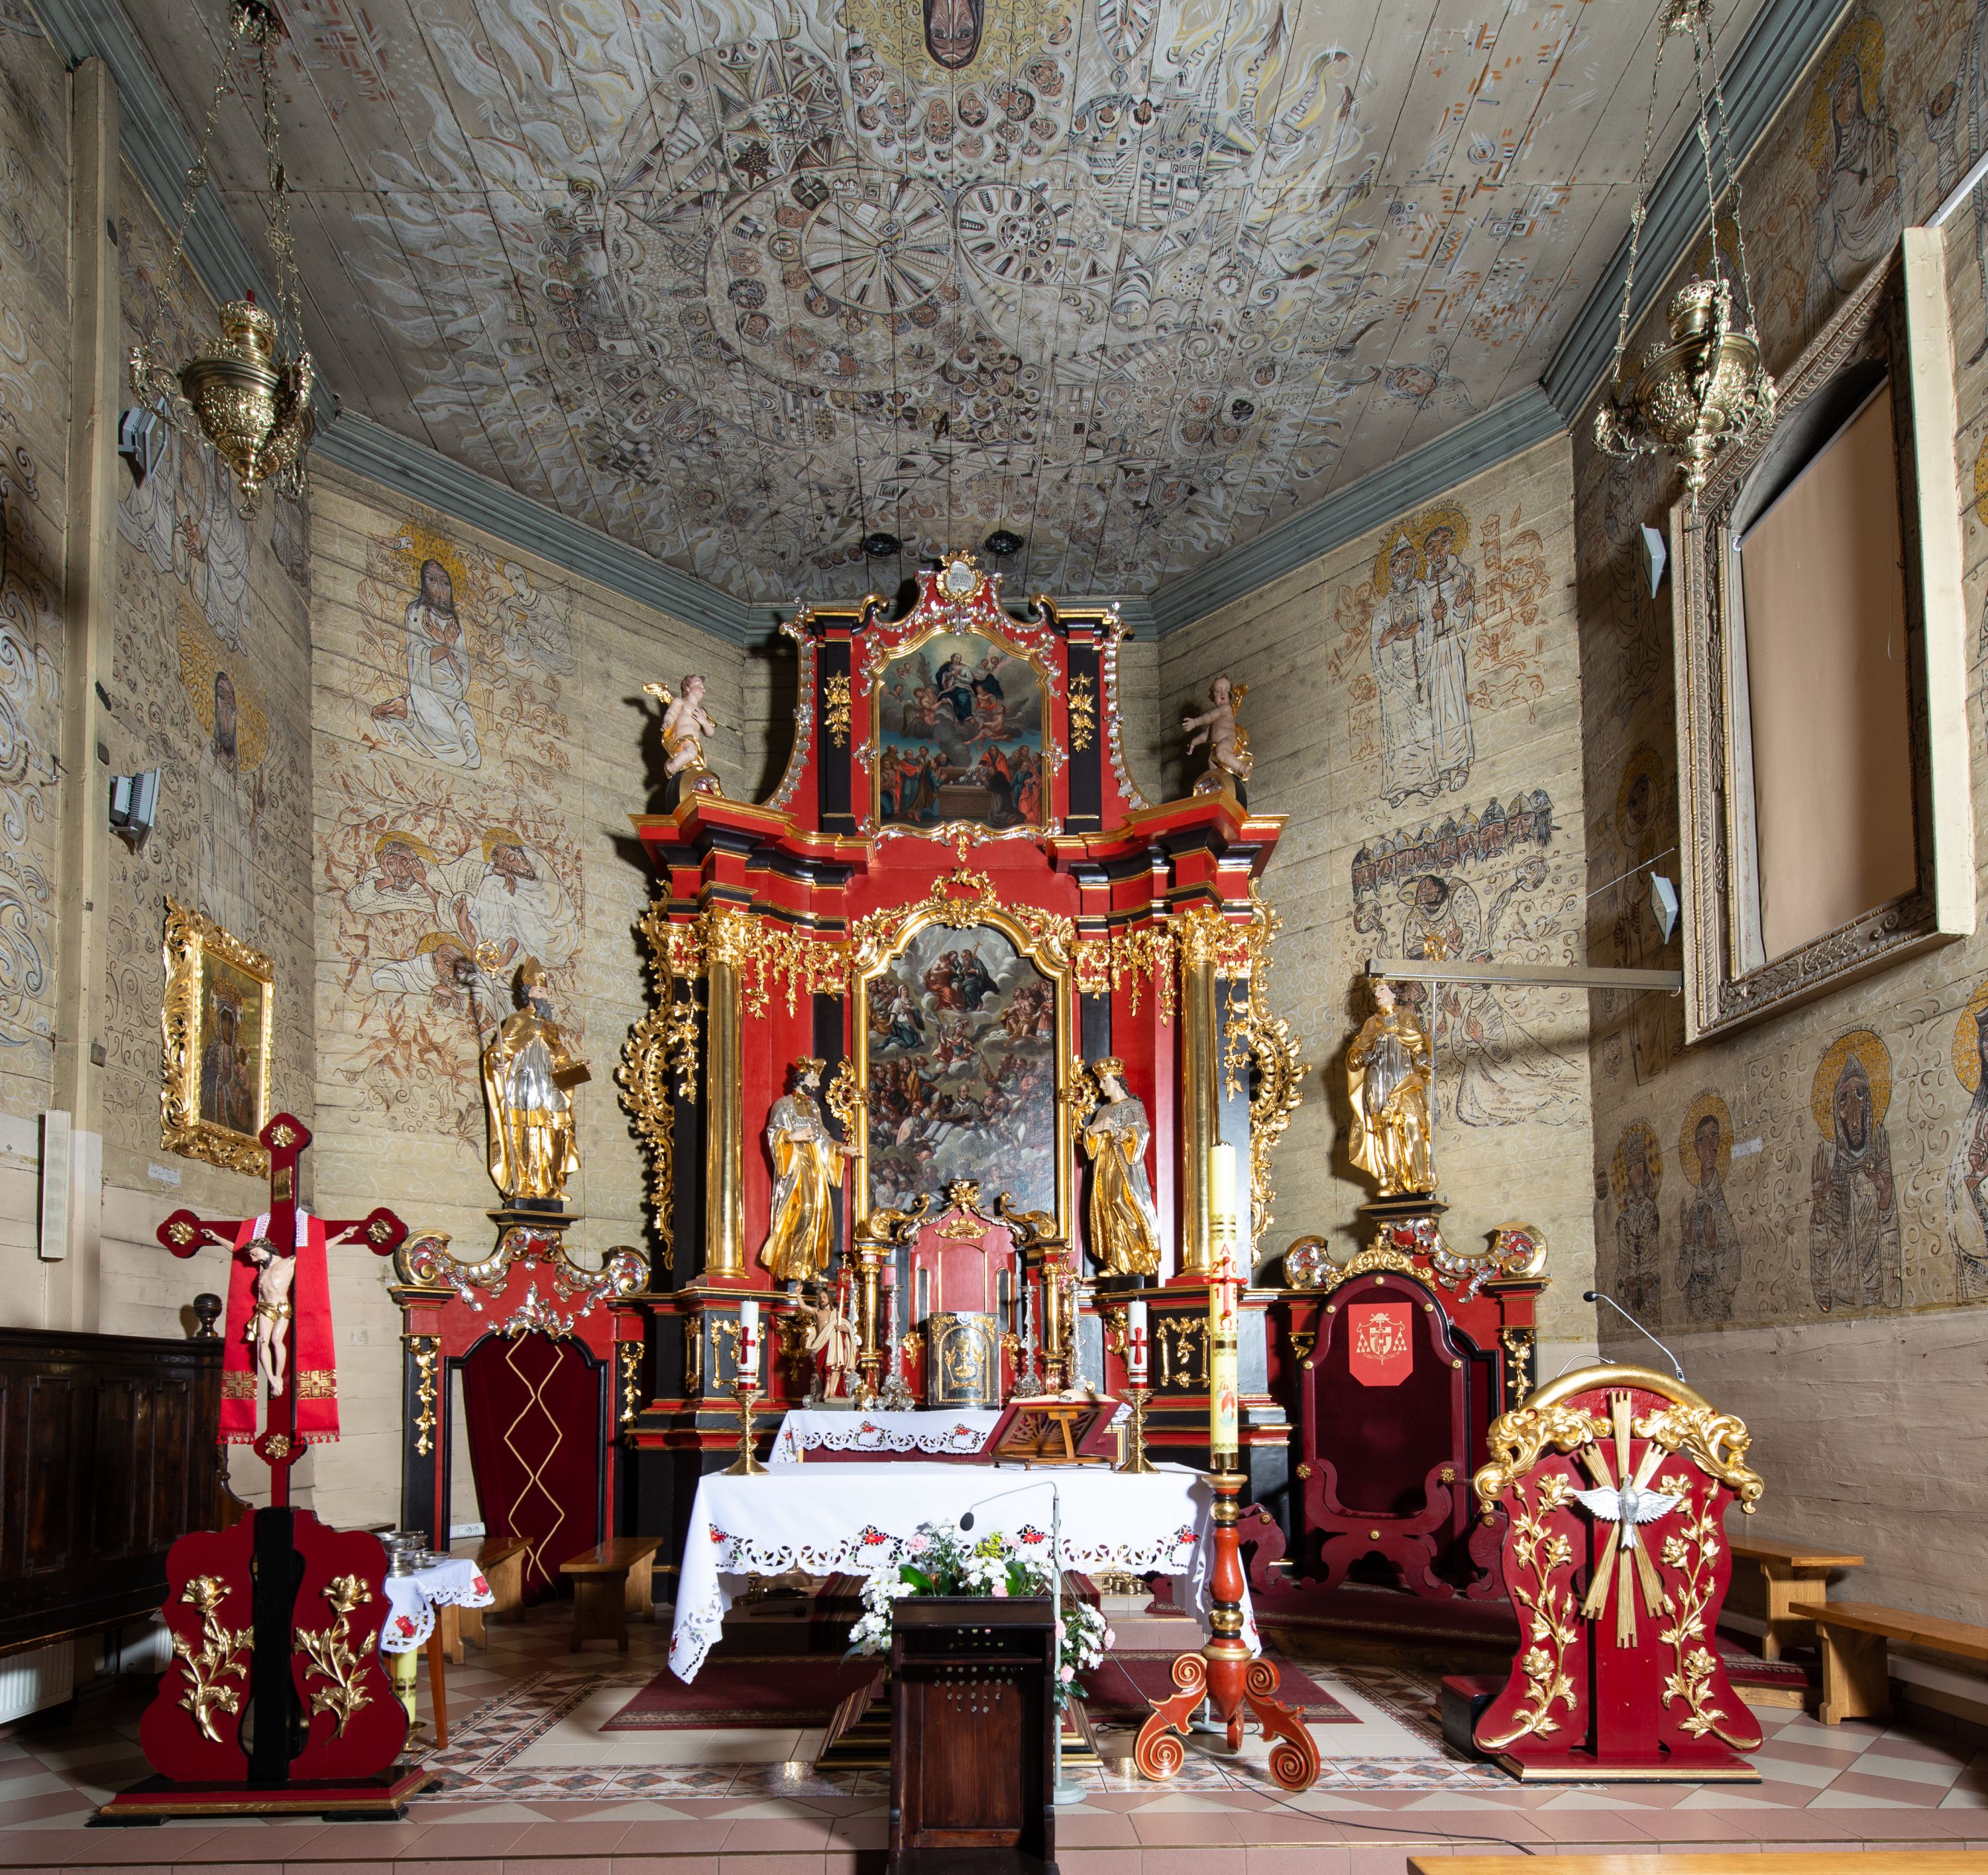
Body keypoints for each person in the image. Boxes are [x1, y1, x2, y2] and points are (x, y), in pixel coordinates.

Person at [480, 958, 590, 1204]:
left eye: (546, 992)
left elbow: (561, 1059)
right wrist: (497, 1063)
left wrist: (579, 1068)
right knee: (525, 1134)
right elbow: (499, 1051)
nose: (545, 996)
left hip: (549, 1089)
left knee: (553, 1134)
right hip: (525, 1088)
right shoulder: (517, 1021)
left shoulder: (552, 1028)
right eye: (540, 991)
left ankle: (550, 1187)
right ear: (528, 993)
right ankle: (523, 1186)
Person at [1810, 1051, 1903, 1312]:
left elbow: (1891, 1247)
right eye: (1843, 1099)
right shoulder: (1831, 1180)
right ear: (1835, 1113)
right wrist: (1819, 1212)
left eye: (1860, 1095)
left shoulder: (1878, 1171)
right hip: (1841, 1304)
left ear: (1869, 1104)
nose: (1853, 1113)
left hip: (1876, 1302)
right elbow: (1820, 1264)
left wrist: (1885, 1197)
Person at [372, 557, 482, 769]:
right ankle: (410, 706)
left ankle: (407, 707)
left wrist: (446, 647)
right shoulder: (417, 612)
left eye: (445, 582)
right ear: (424, 584)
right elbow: (419, 656)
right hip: (428, 692)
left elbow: (463, 676)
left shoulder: (455, 623)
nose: (440, 588)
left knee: (474, 759)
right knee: (457, 755)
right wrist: (446, 645)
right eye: (432, 580)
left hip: (453, 697)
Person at [761, 1058, 856, 1282]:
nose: (817, 1084)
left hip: (815, 1165)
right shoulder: (783, 1105)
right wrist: (794, 1136)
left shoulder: (814, 1108)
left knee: (818, 1211)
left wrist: (842, 1148)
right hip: (796, 1165)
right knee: (803, 1208)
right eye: (813, 1079)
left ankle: (809, 1268)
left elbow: (823, 1137)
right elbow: (774, 1133)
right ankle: (792, 1266)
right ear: (801, 1079)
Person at [1345, 979, 1434, 1196]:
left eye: (1382, 989)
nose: (1377, 993)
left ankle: (1421, 1178)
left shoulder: (1407, 1017)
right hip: (1379, 1083)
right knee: (1385, 1133)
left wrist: (1424, 1059)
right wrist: (1361, 1057)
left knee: (1412, 1124)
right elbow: (1355, 1055)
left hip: (1404, 1083)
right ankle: (1392, 1181)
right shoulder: (1371, 1024)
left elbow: (1419, 1048)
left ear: (1394, 992)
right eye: (1375, 990)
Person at [1081, 1059, 1162, 1277]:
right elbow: (1091, 1144)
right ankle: (1116, 1263)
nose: (1101, 1086)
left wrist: (1128, 1134)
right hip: (1105, 1166)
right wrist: (1095, 1129)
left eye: (1104, 1081)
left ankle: (1139, 1257)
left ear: (1117, 1081)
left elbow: (1143, 1129)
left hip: (1126, 1167)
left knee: (1123, 1202)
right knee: (1108, 1207)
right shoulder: (1103, 1111)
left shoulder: (1134, 1106)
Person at [1372, 537, 1435, 804]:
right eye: (1395, 563)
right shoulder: (1383, 607)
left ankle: (1427, 780)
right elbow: (1376, 645)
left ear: (1414, 562)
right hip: (1395, 676)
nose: (1401, 568)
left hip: (1418, 670)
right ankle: (1398, 787)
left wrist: (1419, 627)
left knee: (1422, 725)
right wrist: (1387, 639)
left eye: (1406, 559)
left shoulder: (1421, 590)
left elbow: (1429, 621)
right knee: (1397, 733)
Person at [1419, 524, 1474, 791]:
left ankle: (1461, 764)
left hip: (1452, 646)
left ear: (1451, 544)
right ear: (1427, 555)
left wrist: (1460, 605)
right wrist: (1433, 618)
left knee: (1455, 706)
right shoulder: (1423, 588)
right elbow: (1419, 626)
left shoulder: (1461, 574)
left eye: (1442, 544)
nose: (1438, 552)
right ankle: (1443, 769)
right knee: (1437, 712)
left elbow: (1466, 614)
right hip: (1433, 651)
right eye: (1431, 549)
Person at [243, 1237, 296, 1396]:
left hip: (282, 1307)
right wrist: (216, 1237)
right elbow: (235, 1250)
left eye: (254, 1254)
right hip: (265, 1307)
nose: (253, 1259)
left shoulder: (289, 1262)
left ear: (265, 1249)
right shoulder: (264, 1270)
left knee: (276, 1340)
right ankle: (272, 1379)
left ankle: (278, 1377)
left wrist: (343, 1235)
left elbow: (315, 1253)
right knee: (263, 1341)